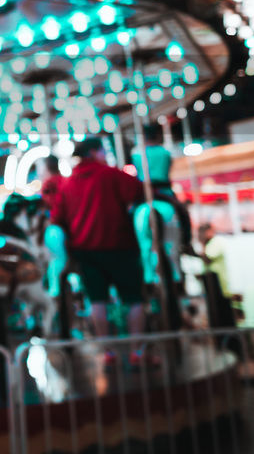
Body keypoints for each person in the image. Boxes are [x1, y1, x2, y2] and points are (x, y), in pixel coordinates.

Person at [50, 137, 147, 348]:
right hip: (120, 247)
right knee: (133, 299)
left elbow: (57, 218)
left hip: (85, 252)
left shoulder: (68, 182)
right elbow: (139, 192)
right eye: (103, 151)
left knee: (97, 301)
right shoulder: (110, 174)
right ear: (94, 152)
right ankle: (137, 351)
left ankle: (107, 352)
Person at [131, 123, 193, 253]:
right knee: (182, 211)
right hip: (164, 190)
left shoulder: (136, 154)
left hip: (145, 192)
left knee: (130, 214)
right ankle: (187, 242)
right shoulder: (165, 152)